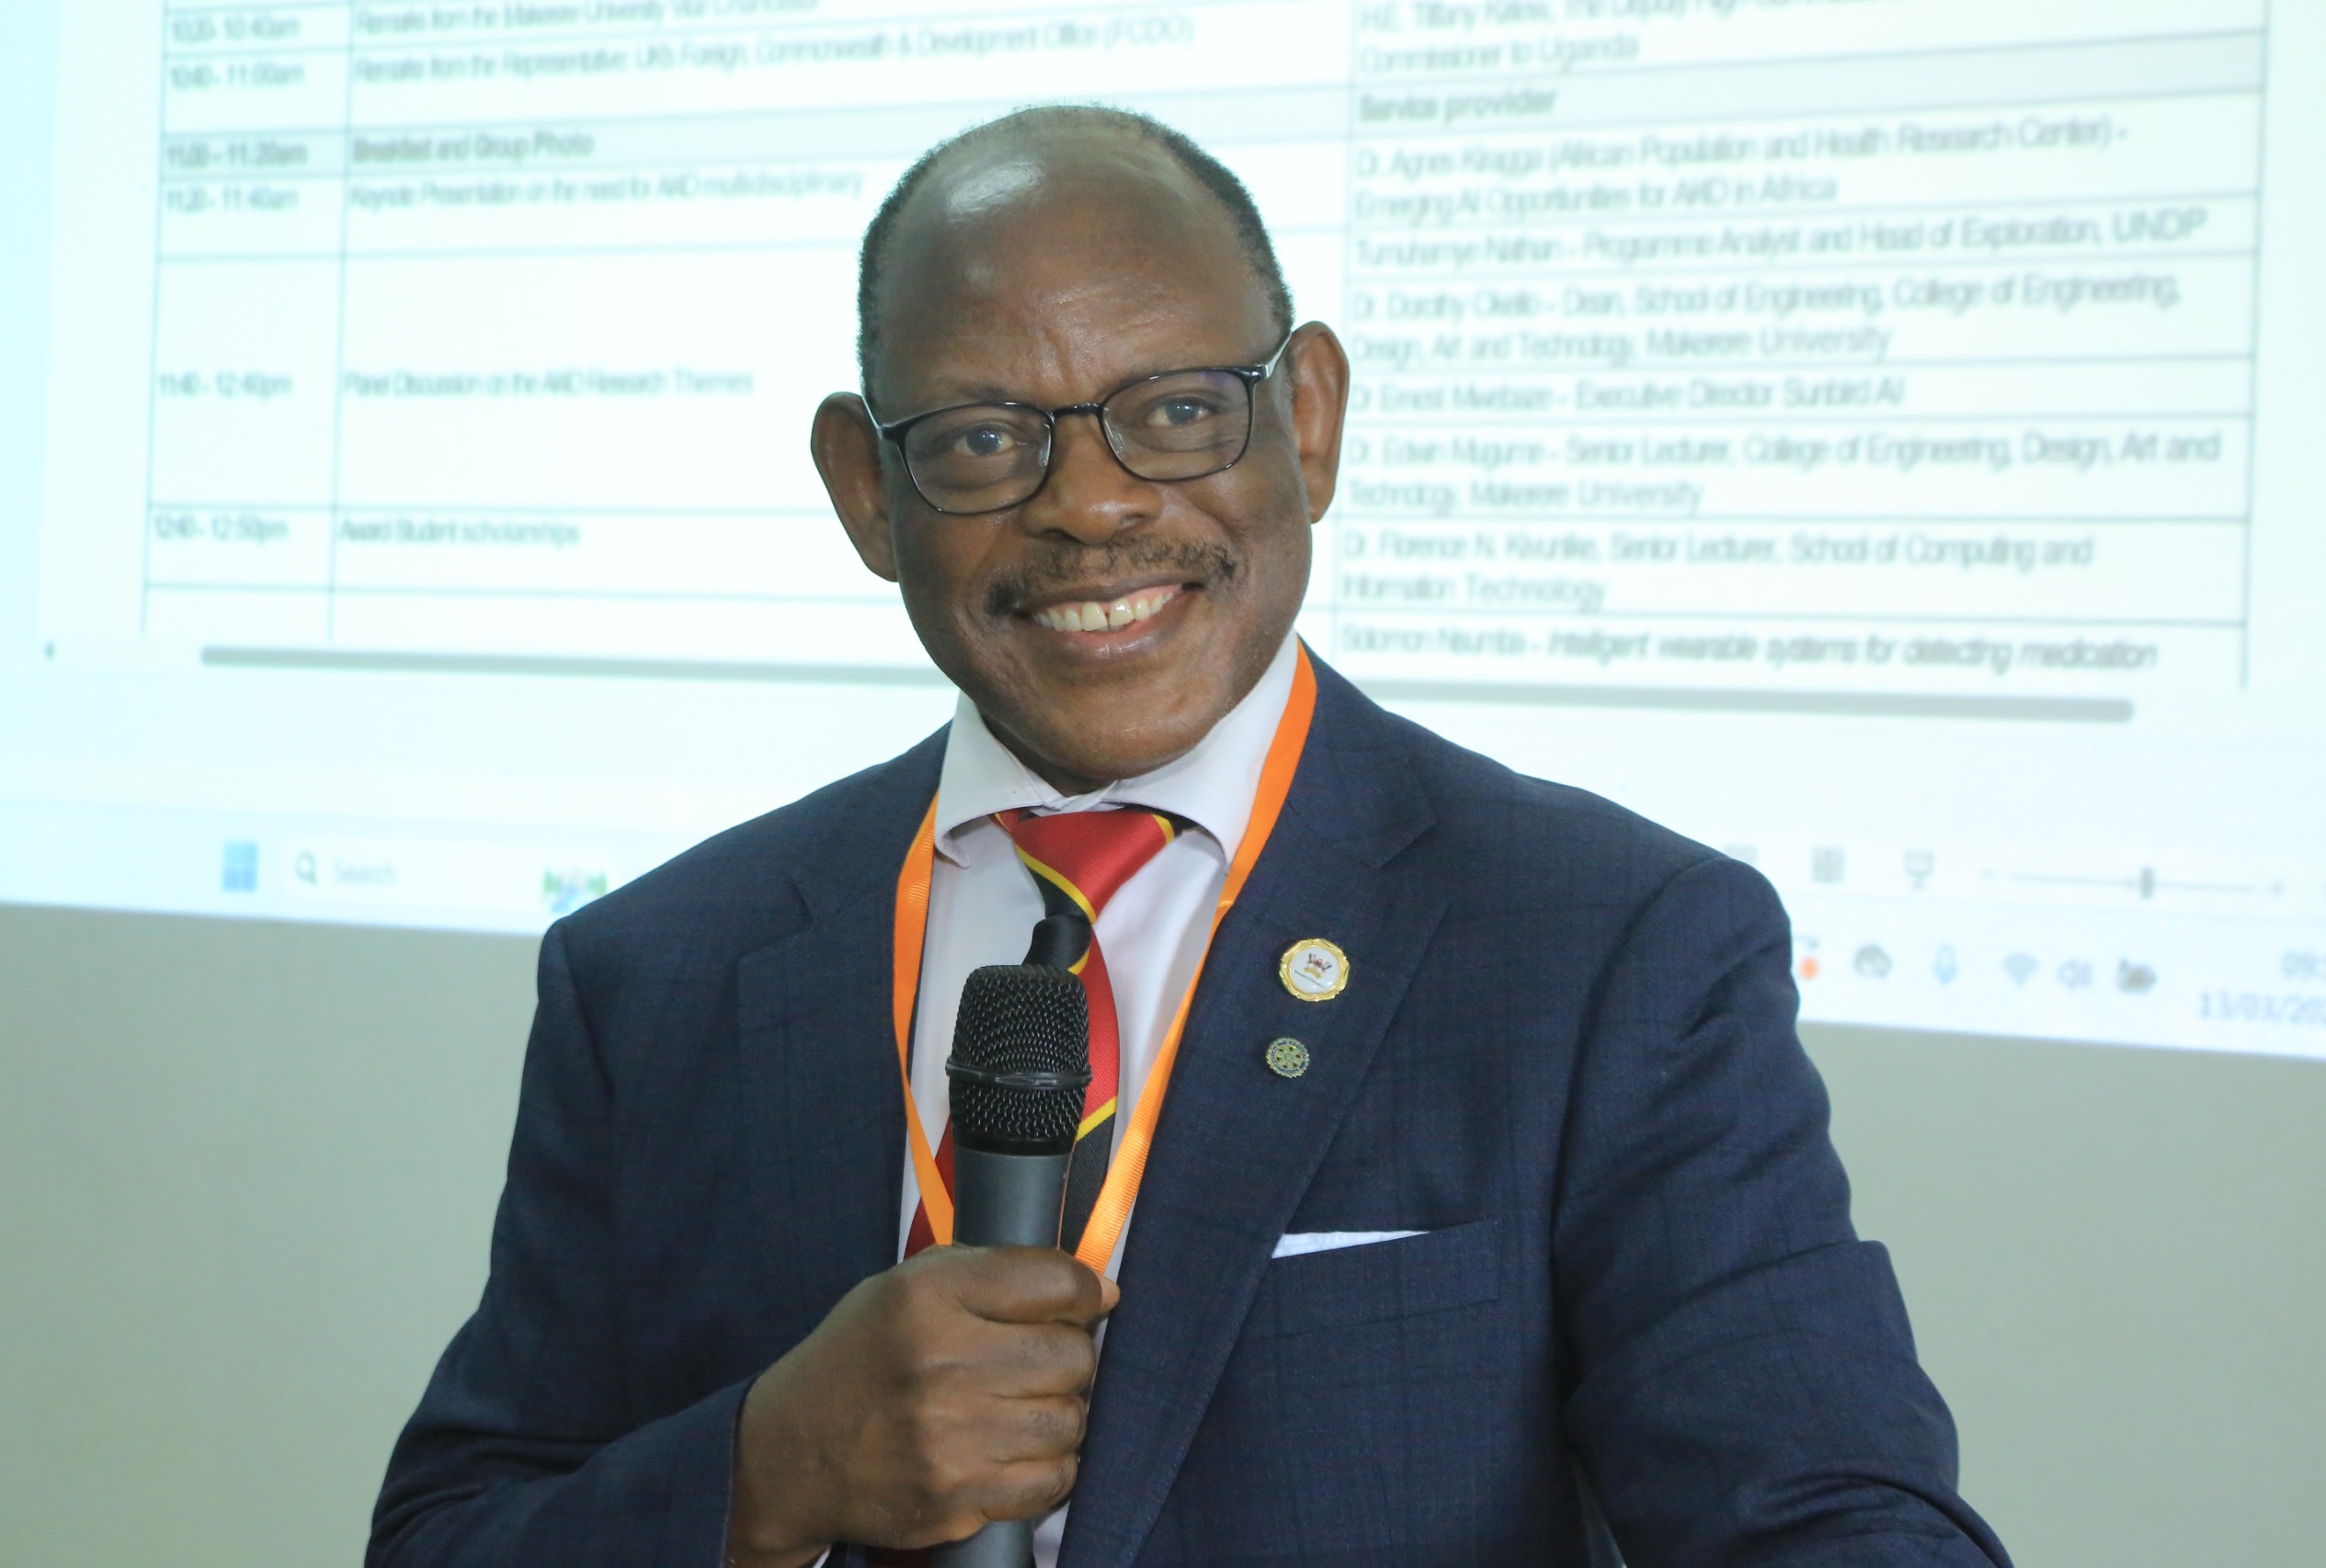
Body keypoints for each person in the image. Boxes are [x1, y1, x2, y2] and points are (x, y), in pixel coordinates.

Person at [369, 107, 2010, 1568]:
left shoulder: (1609, 947)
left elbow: (1828, 1515)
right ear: (868, 493)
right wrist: (763, 1475)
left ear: (1309, 418)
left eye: (1171, 412)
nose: (1089, 504)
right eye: (985, 437)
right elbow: (451, 1531)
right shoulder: (657, 973)